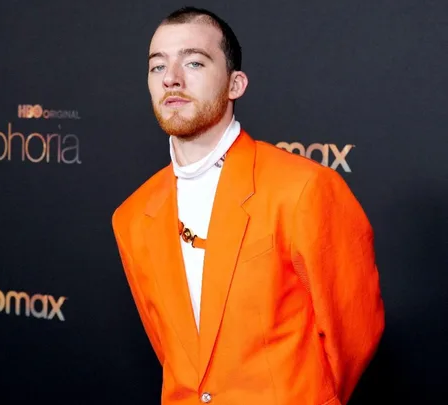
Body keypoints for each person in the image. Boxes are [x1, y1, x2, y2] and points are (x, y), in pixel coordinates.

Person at [112, 6, 385, 405]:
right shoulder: (133, 216)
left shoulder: (305, 189)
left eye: (194, 61)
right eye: (157, 67)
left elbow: (353, 336)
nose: (171, 78)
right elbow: (175, 352)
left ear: (235, 84)